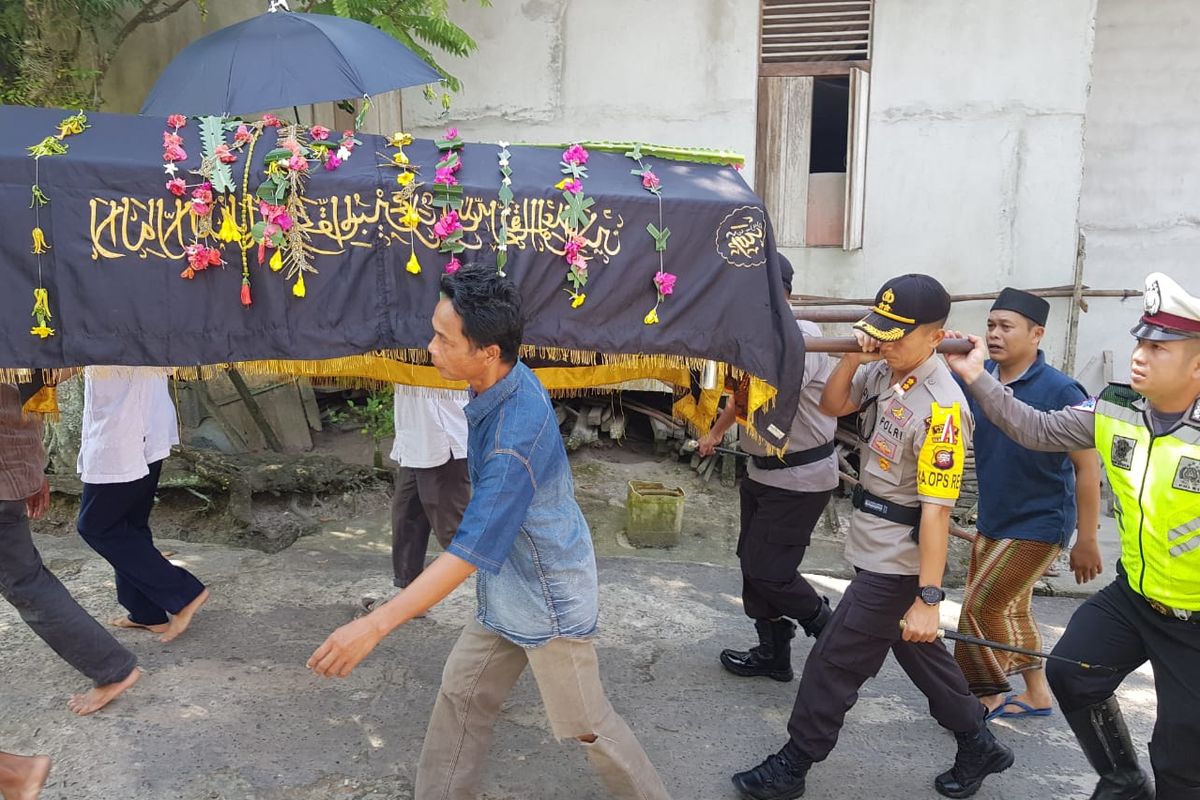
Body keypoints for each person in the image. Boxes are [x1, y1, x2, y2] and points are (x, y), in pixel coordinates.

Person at [309, 263, 671, 800]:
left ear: (487, 352)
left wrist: (374, 626)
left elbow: (468, 551)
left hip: (548, 599)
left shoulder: (511, 441)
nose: (430, 346)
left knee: (588, 724)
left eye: (442, 338)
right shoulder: (503, 376)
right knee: (461, 694)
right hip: (510, 585)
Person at [732, 274, 1012, 800]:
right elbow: (834, 406)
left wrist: (929, 599)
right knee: (916, 652)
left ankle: (793, 764)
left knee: (834, 661)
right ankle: (978, 741)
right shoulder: (887, 370)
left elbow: (935, 514)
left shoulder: (943, 409)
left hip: (899, 561)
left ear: (936, 336)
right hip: (874, 543)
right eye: (880, 330)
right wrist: (854, 359)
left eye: (897, 335)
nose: (885, 342)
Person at [946, 271, 1200, 800]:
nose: (1140, 355)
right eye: (1140, 341)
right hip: (1135, 596)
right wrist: (976, 375)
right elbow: (1035, 429)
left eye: (1158, 347)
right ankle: (1123, 781)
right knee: (1073, 673)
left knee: (1182, 752)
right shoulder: (1115, 409)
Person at [954, 288, 1103, 720]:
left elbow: (1087, 467)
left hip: (1041, 521)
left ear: (1036, 334)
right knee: (1013, 608)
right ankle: (1037, 693)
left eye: (1006, 326)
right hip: (996, 514)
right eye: (990, 325)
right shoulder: (979, 379)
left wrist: (1087, 538)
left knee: (980, 608)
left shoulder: (1059, 389)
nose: (995, 334)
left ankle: (987, 693)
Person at [698, 258, 838, 682]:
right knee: (752, 563)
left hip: (800, 478)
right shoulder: (752, 336)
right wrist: (716, 432)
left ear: (778, 294)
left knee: (769, 570)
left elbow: (774, 387)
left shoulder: (803, 337)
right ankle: (773, 653)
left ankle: (830, 631)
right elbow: (741, 397)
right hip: (761, 472)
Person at [0, 382, 140, 715]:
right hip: (12, 477)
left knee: (25, 583)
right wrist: (31, 472)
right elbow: (23, 408)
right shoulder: (20, 342)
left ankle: (111, 668)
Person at [75, 367, 208, 643]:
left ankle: (184, 593)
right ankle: (146, 611)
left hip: (124, 430)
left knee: (97, 526)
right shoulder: (148, 324)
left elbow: (66, 365)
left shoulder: (109, 324)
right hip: (144, 421)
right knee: (130, 524)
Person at [361, 387, 470, 613]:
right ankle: (410, 601)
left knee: (454, 532)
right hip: (414, 440)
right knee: (406, 519)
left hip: (442, 438)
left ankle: (511, 600)